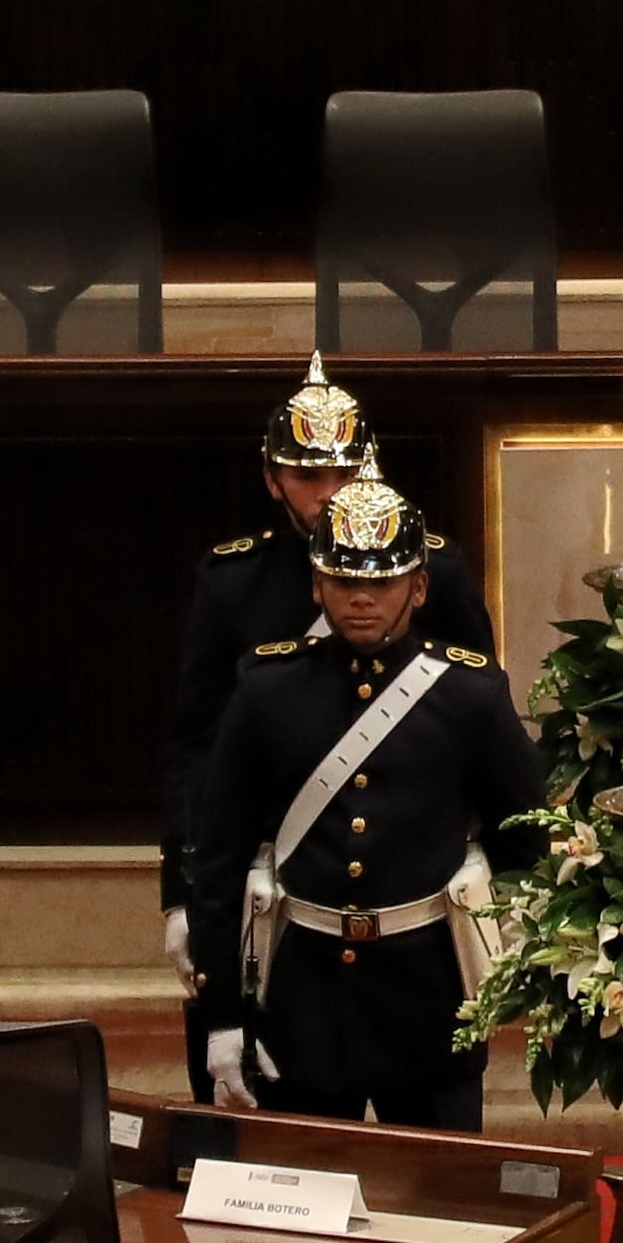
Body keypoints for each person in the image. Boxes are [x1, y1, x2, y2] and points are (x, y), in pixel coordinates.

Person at [161, 358, 489, 1089]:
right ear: (273, 478)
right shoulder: (233, 582)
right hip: (265, 887)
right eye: (307, 477)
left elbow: (477, 722)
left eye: (343, 473)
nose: (327, 494)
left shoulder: (434, 569)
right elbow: (196, 750)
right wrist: (181, 895)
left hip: (406, 898)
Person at [187, 455, 541, 1129]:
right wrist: (223, 1019)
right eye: (344, 579)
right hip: (303, 1005)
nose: (361, 598)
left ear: (419, 588)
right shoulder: (266, 689)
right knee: (303, 1218)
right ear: (317, 585)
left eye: (381, 583)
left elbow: (524, 841)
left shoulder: (469, 695)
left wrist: (523, 973)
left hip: (433, 1004)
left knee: (441, 1213)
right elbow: (219, 859)